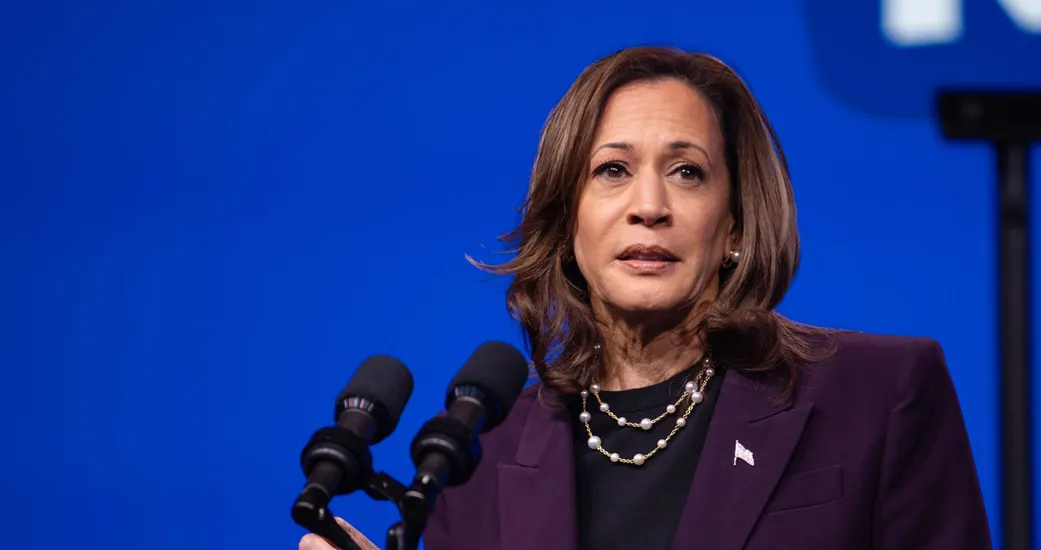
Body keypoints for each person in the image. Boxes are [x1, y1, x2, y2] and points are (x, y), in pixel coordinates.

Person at [299, 45, 991, 550]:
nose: (649, 206)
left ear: (735, 226)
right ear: (568, 222)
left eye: (687, 172)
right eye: (612, 171)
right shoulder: (478, 460)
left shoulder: (877, 395)